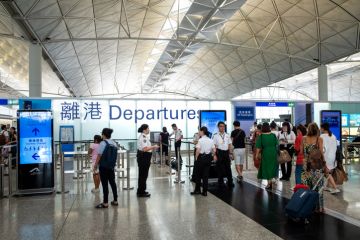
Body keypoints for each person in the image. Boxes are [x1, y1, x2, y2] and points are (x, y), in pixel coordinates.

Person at [94, 128, 118, 209]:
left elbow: (99, 155)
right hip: (111, 166)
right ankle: (115, 200)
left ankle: (105, 203)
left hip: (103, 166)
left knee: (105, 185)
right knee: (113, 183)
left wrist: (95, 165)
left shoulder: (103, 143)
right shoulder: (114, 143)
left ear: (103, 135)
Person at [191, 126, 216, 196]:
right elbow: (214, 150)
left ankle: (197, 190)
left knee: (198, 175)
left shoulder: (200, 140)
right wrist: (212, 156)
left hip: (201, 158)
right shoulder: (211, 140)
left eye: (199, 131)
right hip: (208, 158)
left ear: (202, 132)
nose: (199, 132)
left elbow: (198, 150)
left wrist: (196, 158)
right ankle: (205, 191)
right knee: (205, 175)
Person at [137, 124, 159, 197]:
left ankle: (141, 190)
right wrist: (154, 146)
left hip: (144, 156)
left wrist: (152, 147)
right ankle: (141, 192)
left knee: (143, 174)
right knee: (143, 174)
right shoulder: (143, 137)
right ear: (144, 130)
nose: (149, 130)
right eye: (148, 128)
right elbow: (145, 149)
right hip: (144, 156)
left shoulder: (144, 136)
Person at [255, 122, 279, 190]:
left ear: (263, 128)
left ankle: (269, 183)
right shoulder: (273, 135)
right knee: (272, 167)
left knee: (267, 167)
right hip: (273, 152)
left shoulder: (261, 136)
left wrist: (256, 155)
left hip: (266, 153)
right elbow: (277, 144)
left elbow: (258, 147)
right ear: (269, 127)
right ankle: (270, 182)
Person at [320, 123, 341, 194]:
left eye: (321, 128)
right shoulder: (333, 136)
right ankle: (328, 186)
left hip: (326, 157)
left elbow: (321, 148)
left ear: (323, 128)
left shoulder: (322, 136)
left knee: (326, 173)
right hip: (333, 157)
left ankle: (335, 188)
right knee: (329, 172)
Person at [212, 121, 234, 188]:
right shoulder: (215, 135)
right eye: (221, 126)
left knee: (228, 168)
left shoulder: (227, 135)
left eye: (223, 126)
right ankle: (220, 182)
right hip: (219, 152)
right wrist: (214, 155)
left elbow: (229, 145)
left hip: (226, 152)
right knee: (220, 168)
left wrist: (230, 153)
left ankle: (230, 181)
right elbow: (214, 146)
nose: (222, 127)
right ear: (218, 127)